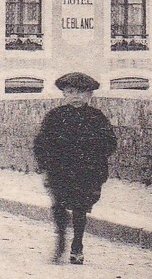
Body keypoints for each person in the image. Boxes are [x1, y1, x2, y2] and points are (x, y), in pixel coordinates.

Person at [34, 72, 118, 265]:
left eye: (82, 92)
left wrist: (95, 155)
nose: (76, 97)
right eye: (71, 92)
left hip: (86, 171)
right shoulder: (55, 117)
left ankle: (77, 244)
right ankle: (61, 240)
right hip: (60, 170)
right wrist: (45, 166)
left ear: (90, 95)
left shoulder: (97, 118)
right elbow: (41, 143)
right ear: (64, 94)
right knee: (59, 205)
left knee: (80, 207)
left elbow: (110, 143)